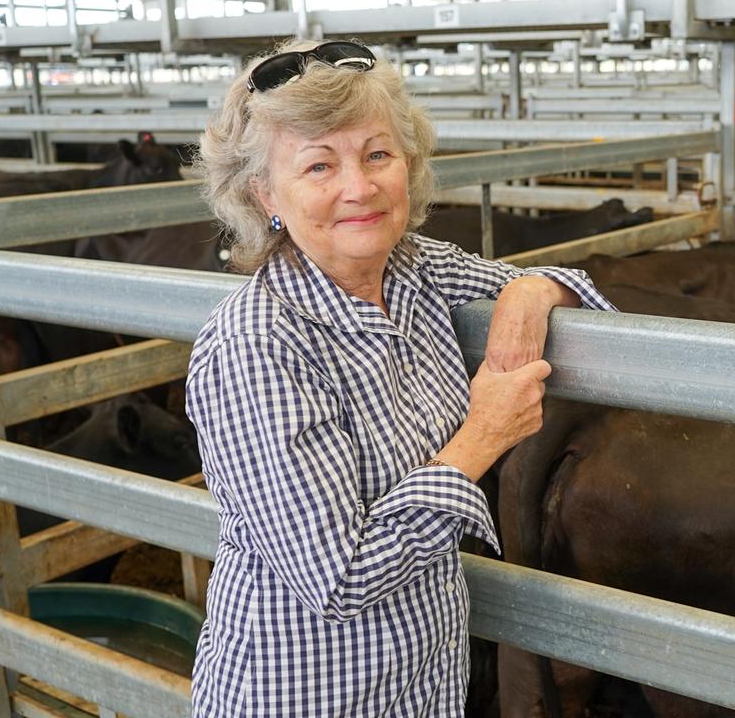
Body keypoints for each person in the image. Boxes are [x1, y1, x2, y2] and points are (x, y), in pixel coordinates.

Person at [186, 39, 613, 716]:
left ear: (408, 165)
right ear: (265, 193)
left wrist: (535, 290)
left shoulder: (416, 269)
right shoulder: (256, 345)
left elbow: (589, 292)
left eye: (377, 155)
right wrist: (484, 435)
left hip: (421, 687)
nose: (359, 188)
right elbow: (340, 578)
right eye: (318, 165)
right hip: (302, 695)